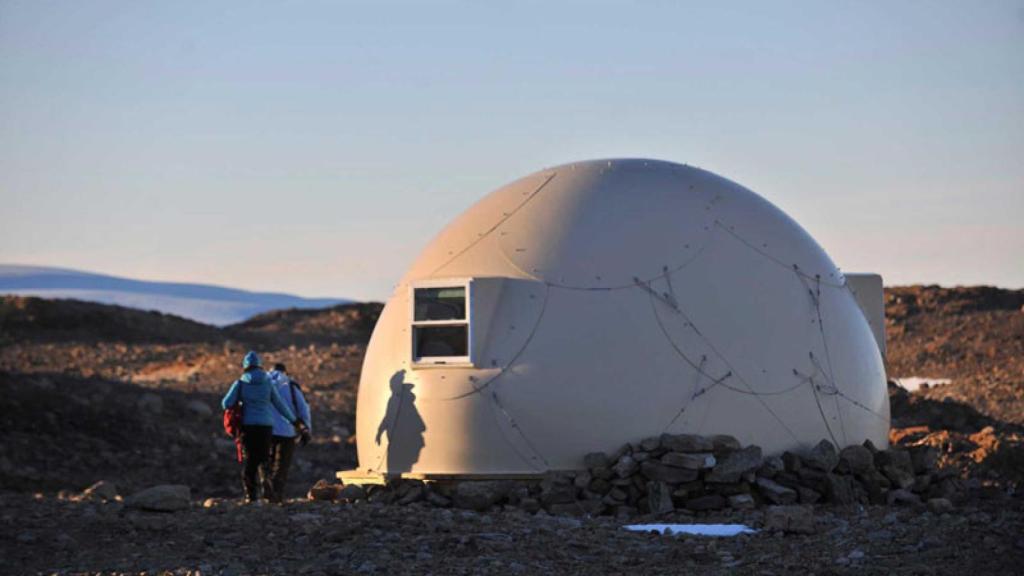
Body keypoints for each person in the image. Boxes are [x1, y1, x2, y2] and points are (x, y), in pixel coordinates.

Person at [221, 351, 307, 503]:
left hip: (248, 427)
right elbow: (280, 405)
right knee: (264, 460)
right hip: (266, 427)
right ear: (259, 365)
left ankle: (250, 496)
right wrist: (294, 421)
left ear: (245, 367)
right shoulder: (267, 383)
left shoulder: (240, 383)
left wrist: (241, 401)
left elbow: (226, 403)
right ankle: (268, 491)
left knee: (250, 462)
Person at [263, 362, 312, 503]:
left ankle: (265, 494)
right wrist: (306, 430)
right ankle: (276, 496)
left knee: (266, 463)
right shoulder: (291, 386)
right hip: (287, 432)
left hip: (264, 430)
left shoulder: (261, 385)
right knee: (281, 465)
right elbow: (303, 409)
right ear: (286, 372)